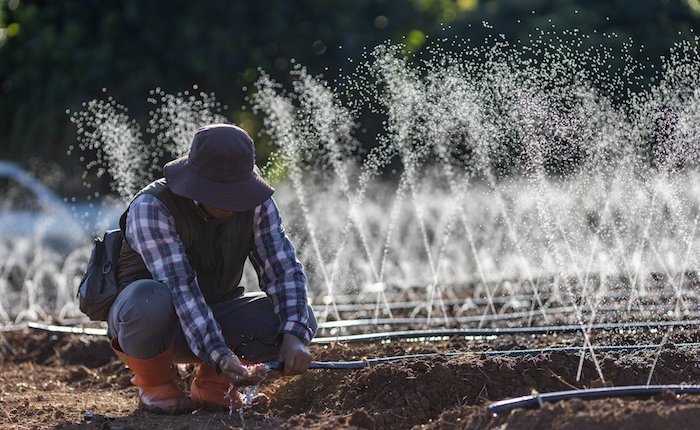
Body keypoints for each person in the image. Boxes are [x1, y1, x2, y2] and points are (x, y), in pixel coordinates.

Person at [107, 124, 317, 414]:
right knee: (148, 297)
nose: (234, 202)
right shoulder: (152, 207)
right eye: (223, 193)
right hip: (153, 325)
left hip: (215, 316)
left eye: (237, 192)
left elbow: (283, 269)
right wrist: (219, 353)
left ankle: (214, 384)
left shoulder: (256, 204)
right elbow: (180, 289)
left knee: (298, 316)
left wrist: (295, 335)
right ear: (196, 184)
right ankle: (156, 385)